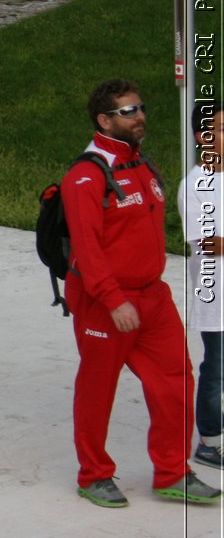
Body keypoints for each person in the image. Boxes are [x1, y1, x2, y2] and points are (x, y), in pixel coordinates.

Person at [57, 79, 219, 506]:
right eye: (128, 111)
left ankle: (172, 471)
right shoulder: (85, 176)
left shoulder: (143, 166)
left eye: (140, 107)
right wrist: (113, 300)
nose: (140, 116)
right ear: (104, 120)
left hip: (154, 298)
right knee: (98, 388)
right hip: (105, 303)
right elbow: (88, 251)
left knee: (175, 382)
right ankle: (93, 475)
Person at [187, 102, 223, 471]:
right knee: (217, 371)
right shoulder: (195, 185)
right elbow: (205, 242)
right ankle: (210, 442)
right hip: (218, 298)